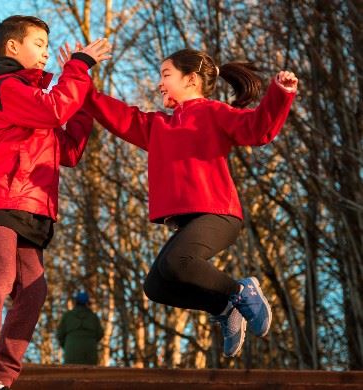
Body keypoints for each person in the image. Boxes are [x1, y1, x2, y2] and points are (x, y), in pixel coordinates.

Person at [81, 48, 298, 358]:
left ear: (192, 79)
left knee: (175, 263)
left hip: (219, 215)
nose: (160, 83)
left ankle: (241, 291)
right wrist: (78, 77)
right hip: (192, 222)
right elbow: (116, 115)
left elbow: (258, 129)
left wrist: (281, 93)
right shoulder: (158, 127)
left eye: (166, 75)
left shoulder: (213, 112)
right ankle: (224, 308)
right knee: (156, 286)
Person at [0, 15, 111, 390]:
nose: (45, 53)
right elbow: (54, 109)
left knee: (34, 292)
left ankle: (2, 378)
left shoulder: (37, 97)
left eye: (48, 47)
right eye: (38, 44)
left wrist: (82, 92)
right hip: (1, 195)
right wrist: (78, 67)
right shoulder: (6, 87)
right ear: (12, 47)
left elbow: (68, 149)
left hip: (32, 207)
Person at [57, 292, 104, 365]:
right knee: (89, 374)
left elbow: (60, 334)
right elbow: (100, 334)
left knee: (71, 374)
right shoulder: (93, 317)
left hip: (71, 351)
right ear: (87, 303)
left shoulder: (68, 315)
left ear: (76, 302)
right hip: (90, 352)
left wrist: (66, 345)